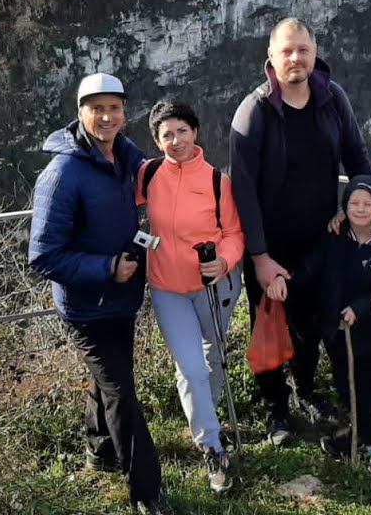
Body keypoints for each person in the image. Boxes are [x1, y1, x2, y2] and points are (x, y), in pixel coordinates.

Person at [230, 17, 371, 446]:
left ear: (314, 52)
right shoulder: (256, 109)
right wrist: (260, 256)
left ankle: (304, 391)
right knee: (267, 323)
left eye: (303, 50)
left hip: (321, 239)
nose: (295, 58)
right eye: (286, 51)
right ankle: (276, 412)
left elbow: (357, 159)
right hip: (271, 243)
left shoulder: (332, 98)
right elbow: (243, 189)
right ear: (271, 57)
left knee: (309, 322)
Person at [27, 73, 172, 515]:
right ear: (80, 112)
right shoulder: (62, 174)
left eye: (114, 108)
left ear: (125, 113)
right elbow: (42, 257)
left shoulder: (128, 159)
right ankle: (147, 491)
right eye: (97, 108)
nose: (106, 116)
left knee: (108, 380)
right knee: (123, 393)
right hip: (87, 308)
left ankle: (99, 452)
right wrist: (108, 268)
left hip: (121, 300)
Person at [137, 100, 244, 494]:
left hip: (215, 286)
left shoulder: (218, 181)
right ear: (156, 139)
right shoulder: (147, 175)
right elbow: (114, 206)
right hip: (168, 288)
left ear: (195, 132)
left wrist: (226, 262)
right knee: (193, 368)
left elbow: (234, 233)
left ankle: (207, 415)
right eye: (167, 134)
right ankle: (212, 446)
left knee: (214, 358)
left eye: (182, 131)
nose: (176, 140)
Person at [299, 175, 371, 463]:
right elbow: (311, 267)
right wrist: (284, 280)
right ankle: (354, 435)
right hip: (335, 327)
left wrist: (360, 308)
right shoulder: (335, 237)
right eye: (354, 202)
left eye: (368, 203)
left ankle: (370, 445)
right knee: (343, 381)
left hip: (367, 330)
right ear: (345, 206)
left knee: (365, 384)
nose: (361, 209)